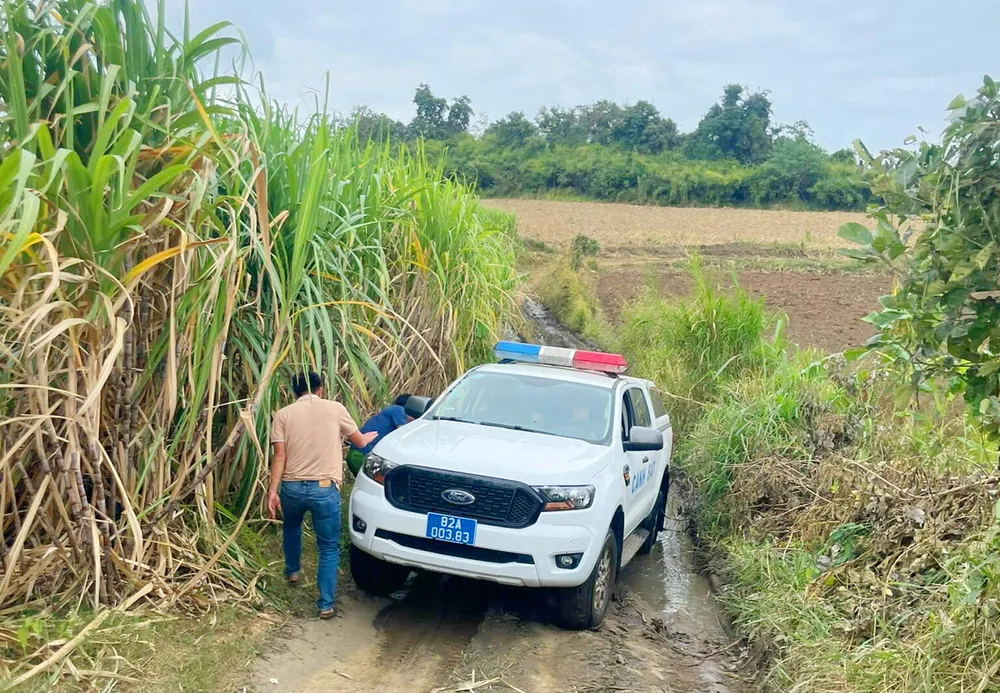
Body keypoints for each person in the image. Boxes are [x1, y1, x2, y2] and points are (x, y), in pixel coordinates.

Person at [267, 369, 378, 619]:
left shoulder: (283, 415)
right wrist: (367, 437)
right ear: (320, 390)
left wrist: (272, 491)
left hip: (292, 488)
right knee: (328, 546)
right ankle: (325, 604)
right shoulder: (335, 408)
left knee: (291, 527)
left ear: (294, 391)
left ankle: (293, 570)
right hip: (324, 489)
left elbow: (280, 456)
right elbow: (360, 442)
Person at [345, 394, 415, 477]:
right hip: (361, 454)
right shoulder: (398, 409)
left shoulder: (389, 412)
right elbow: (404, 432)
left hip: (356, 454)